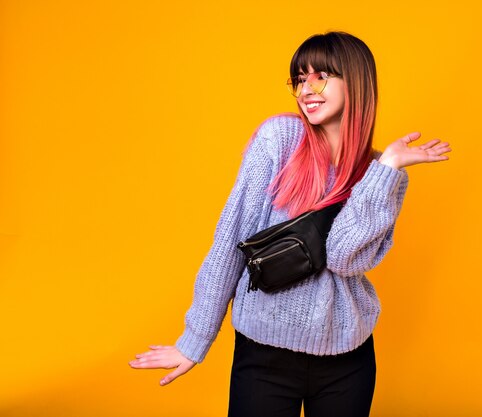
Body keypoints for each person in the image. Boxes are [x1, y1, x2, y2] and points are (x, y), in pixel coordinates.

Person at [129, 31, 451, 417]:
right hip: (265, 355)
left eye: (321, 77)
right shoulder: (280, 139)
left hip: (347, 359)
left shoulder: (382, 175)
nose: (306, 89)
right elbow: (230, 239)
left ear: (356, 81)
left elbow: (344, 258)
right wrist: (195, 339)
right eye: (299, 79)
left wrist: (385, 170)